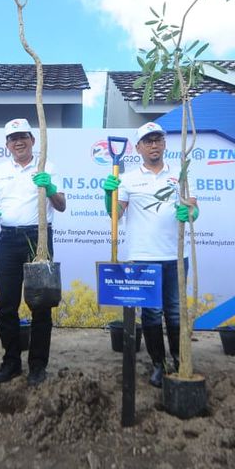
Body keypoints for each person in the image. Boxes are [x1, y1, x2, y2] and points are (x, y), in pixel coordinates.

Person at [101, 122, 198, 387]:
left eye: (158, 140)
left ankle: (180, 360)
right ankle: (159, 363)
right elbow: (116, 215)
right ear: (139, 148)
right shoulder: (128, 178)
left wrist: (190, 213)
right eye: (148, 141)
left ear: (164, 144)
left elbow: (192, 208)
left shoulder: (181, 174)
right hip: (143, 255)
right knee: (152, 314)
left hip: (176, 255)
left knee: (176, 313)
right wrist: (109, 195)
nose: (154, 145)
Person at [0, 118, 66, 386]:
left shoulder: (47, 166)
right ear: (7, 145)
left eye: (23, 136)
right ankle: (11, 362)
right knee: (7, 305)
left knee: (41, 305)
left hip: (38, 239)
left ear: (32, 140)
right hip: (7, 240)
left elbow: (60, 205)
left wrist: (50, 189)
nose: (19, 141)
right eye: (13, 138)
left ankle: (38, 366)